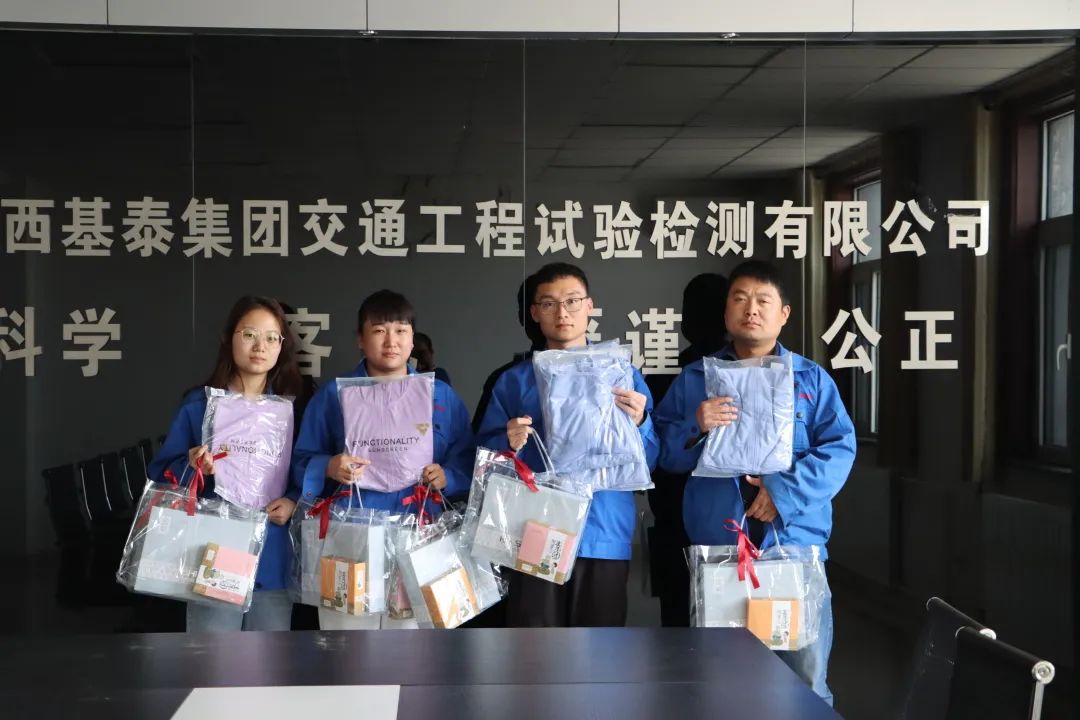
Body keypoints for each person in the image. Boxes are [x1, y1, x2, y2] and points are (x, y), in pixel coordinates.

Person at [652, 260, 855, 703]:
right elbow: (662, 454)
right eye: (740, 299)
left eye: (764, 300)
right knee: (722, 685)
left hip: (794, 548)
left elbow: (840, 449)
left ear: (784, 314)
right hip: (719, 552)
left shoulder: (811, 380)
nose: (751, 310)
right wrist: (695, 425)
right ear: (726, 311)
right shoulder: (695, 380)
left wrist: (782, 493)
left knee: (804, 681)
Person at [475, 262, 659, 627]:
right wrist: (506, 442)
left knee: (600, 649)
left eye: (572, 301)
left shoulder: (622, 374)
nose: (562, 313)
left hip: (603, 529)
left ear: (590, 306)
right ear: (535, 312)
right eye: (549, 304)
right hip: (532, 529)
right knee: (533, 647)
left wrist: (640, 423)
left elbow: (651, 460)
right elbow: (481, 461)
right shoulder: (514, 381)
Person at [291, 289, 475, 630]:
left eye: (401, 330)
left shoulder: (440, 395)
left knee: (416, 637)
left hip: (420, 526)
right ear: (360, 339)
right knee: (348, 636)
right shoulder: (334, 394)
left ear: (412, 338)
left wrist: (448, 476)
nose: (391, 341)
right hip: (351, 527)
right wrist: (330, 466)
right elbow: (301, 460)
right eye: (379, 330)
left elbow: (466, 457)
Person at [148, 295, 307, 631]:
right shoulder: (200, 405)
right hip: (214, 548)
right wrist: (192, 464)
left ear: (282, 346)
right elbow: (161, 471)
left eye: (271, 337)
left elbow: (304, 469)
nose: (260, 346)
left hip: (272, 551)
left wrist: (293, 500)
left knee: (270, 656)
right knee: (213, 656)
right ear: (228, 338)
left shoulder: (291, 410)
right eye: (249, 334)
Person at [643, 272, 728, 627]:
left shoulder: (662, 373)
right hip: (723, 522)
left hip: (673, 517)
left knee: (678, 628)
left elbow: (649, 454)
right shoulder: (687, 373)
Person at [472, 276, 545, 434]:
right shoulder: (507, 379)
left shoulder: (602, 371)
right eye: (529, 311)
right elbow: (483, 444)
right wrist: (508, 442)